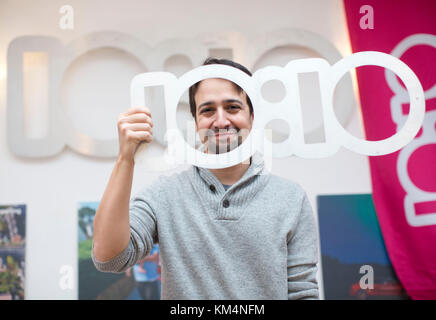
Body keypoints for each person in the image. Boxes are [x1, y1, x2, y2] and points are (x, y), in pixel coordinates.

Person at [92, 58, 319, 299]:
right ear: (197, 122)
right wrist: (125, 158)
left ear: (253, 117)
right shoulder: (164, 195)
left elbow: (302, 292)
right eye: (208, 110)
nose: (221, 121)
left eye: (233, 107)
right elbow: (109, 258)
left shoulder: (291, 198)